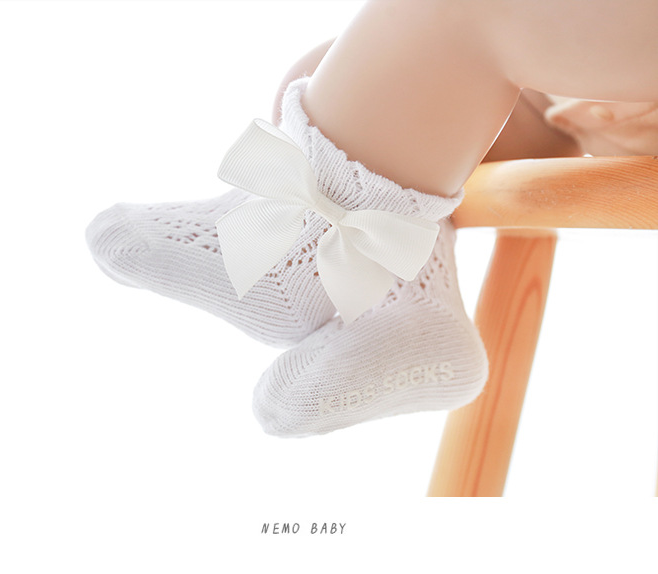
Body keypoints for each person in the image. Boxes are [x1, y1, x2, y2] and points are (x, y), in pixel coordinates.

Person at [86, 0, 658, 437]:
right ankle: (413, 304)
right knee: (348, 72)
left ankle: (277, 258)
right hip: (585, 101)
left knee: (463, 11)